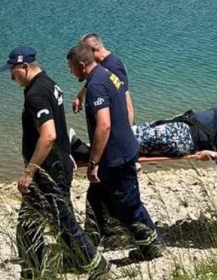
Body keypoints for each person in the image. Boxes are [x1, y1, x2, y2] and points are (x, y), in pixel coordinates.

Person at [0, 46, 108, 280]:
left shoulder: (35, 94)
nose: (11, 76)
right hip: (59, 165)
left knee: (47, 224)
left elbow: (48, 134)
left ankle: (92, 266)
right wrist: (66, 153)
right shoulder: (50, 84)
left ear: (25, 67)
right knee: (48, 223)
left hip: (46, 172)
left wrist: (29, 172)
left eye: (13, 70)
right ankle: (43, 269)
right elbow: (61, 124)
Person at [66, 43, 165, 260]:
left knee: (129, 206)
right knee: (95, 200)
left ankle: (153, 245)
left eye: (71, 68)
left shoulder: (96, 86)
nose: (70, 73)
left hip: (115, 157)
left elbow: (104, 125)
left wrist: (93, 163)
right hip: (123, 148)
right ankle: (86, 250)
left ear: (82, 66)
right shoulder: (107, 74)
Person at [71, 106, 217, 169]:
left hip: (183, 139)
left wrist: (211, 154)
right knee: (137, 131)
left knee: (134, 139)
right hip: (182, 126)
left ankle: (83, 151)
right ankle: (86, 146)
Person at [73, 33, 134, 126]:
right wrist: (80, 95)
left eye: (84, 53)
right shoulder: (100, 63)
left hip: (119, 124)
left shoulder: (114, 67)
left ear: (93, 50)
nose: (83, 57)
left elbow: (126, 97)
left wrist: (129, 129)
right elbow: (93, 77)